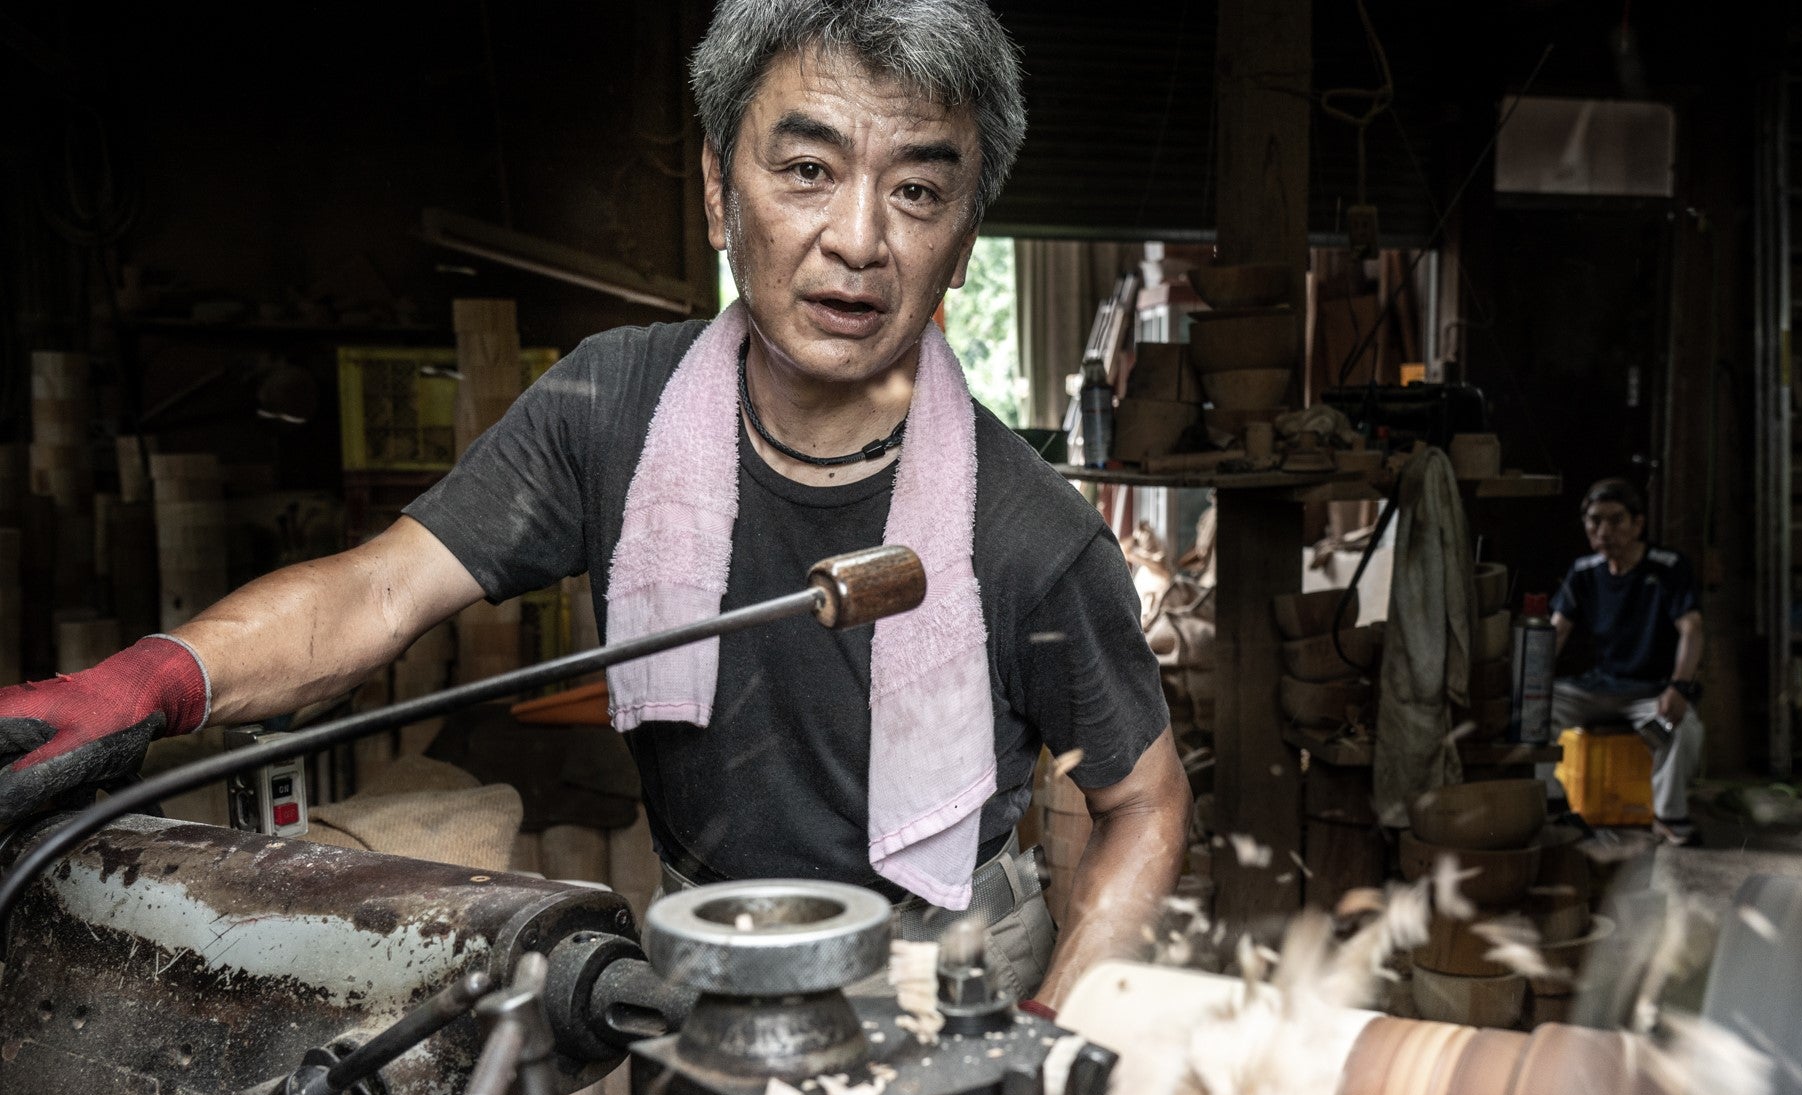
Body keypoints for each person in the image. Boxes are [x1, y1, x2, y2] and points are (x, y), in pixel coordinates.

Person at [0, 0, 1189, 1013]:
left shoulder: (1026, 524)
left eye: (919, 188)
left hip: (952, 966)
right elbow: (377, 591)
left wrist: (1049, 1029)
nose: (858, 238)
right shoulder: (608, 408)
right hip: (705, 947)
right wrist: (151, 679)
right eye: (808, 170)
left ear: (967, 238)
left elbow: (1140, 802)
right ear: (722, 195)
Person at [1549, 478, 1705, 846]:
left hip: (1651, 691)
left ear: (1638, 524)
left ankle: (1668, 818)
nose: (1604, 531)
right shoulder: (1584, 571)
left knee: (1684, 729)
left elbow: (1692, 629)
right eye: (1594, 521)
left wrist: (1679, 686)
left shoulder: (1669, 567)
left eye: (1616, 521)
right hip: (1599, 687)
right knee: (1533, 712)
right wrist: (1530, 687)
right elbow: (1556, 633)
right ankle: (1553, 808)